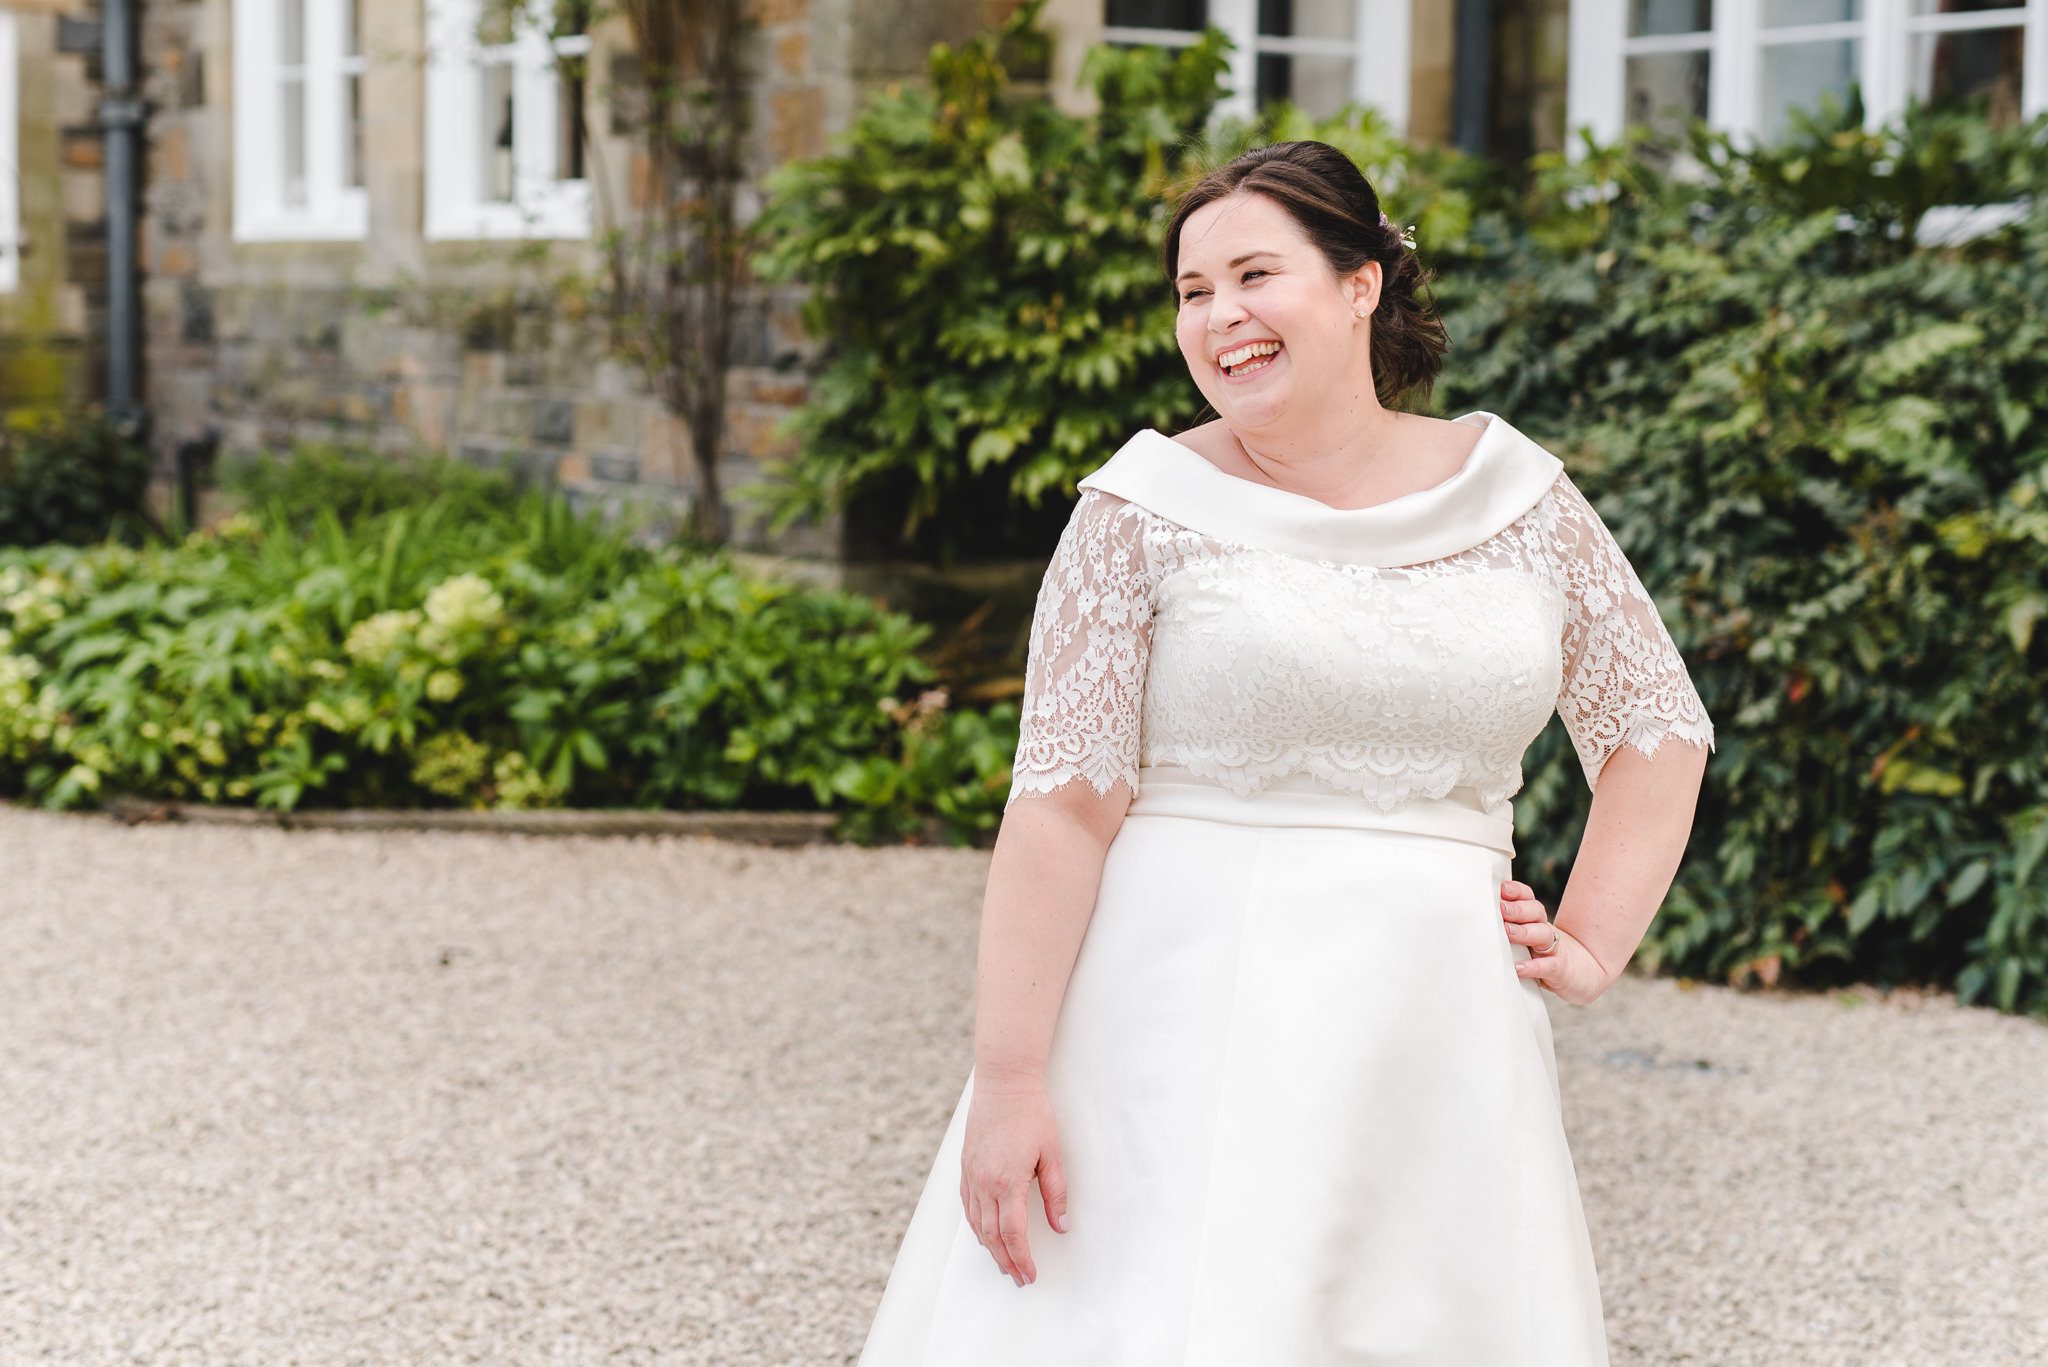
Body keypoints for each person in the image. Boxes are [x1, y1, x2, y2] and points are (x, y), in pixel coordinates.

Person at [856, 139, 1715, 1365]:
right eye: (1191, 291)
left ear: (1360, 282)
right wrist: (1006, 1080)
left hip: (1433, 1024)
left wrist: (1589, 943)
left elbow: (1654, 728)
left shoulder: (1518, 497)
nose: (1219, 317)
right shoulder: (1139, 509)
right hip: (1171, 1017)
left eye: (1254, 274)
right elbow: (1055, 810)